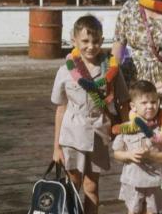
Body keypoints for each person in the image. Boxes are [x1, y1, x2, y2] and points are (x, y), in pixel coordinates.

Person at [51, 15, 129, 214]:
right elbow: (61, 109)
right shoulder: (65, 71)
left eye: (95, 41)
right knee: (72, 186)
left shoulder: (112, 70)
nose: (90, 46)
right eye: (85, 41)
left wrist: (128, 132)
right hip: (71, 134)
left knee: (92, 187)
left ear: (102, 41)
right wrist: (56, 148)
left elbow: (123, 103)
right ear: (74, 41)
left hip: (98, 134)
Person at [112, 80, 162, 214]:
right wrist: (129, 155)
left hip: (154, 182)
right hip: (133, 181)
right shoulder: (127, 128)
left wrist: (151, 155)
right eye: (144, 103)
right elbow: (117, 153)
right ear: (133, 106)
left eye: (153, 102)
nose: (150, 106)